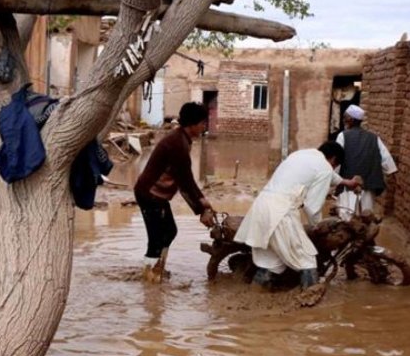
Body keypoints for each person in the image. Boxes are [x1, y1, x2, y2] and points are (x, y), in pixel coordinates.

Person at [234, 142, 361, 289]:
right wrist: (318, 228)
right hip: (281, 213)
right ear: (333, 159)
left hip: (261, 207)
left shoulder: (301, 155)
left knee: (272, 263)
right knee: (307, 260)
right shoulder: (325, 168)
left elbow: (328, 175)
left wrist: (348, 183)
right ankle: (309, 303)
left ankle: (253, 296)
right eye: (334, 165)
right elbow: (312, 207)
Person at [134, 102, 216, 283]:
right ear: (193, 124)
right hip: (150, 194)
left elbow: (186, 179)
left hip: (157, 195)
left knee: (169, 231)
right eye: (203, 123)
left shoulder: (182, 139)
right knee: (156, 239)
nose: (204, 127)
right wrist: (201, 210)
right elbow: (185, 182)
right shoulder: (177, 144)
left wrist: (203, 202)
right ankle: (150, 279)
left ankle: (158, 269)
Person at [335, 104, 398, 220]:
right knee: (366, 215)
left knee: (346, 216)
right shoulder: (374, 137)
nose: (343, 119)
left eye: (345, 117)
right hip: (368, 183)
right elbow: (386, 158)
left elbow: (337, 160)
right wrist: (390, 172)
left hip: (349, 183)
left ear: (351, 120)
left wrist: (334, 179)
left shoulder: (342, 136)